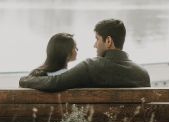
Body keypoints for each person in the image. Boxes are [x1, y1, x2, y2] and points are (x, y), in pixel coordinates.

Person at [19, 19, 150, 91]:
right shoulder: (143, 75)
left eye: (97, 39)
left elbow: (54, 83)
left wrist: (24, 80)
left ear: (108, 41)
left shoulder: (91, 67)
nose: (95, 45)